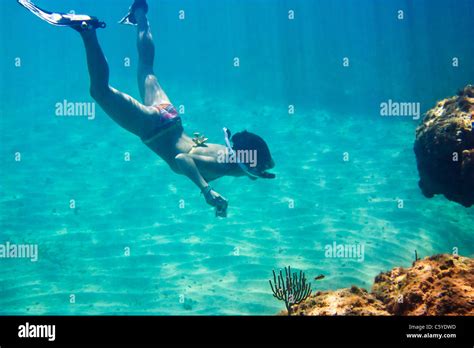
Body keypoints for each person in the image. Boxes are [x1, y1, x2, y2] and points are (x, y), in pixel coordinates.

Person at [18, 0, 276, 217]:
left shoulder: (229, 158)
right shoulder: (223, 166)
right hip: (155, 129)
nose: (257, 176)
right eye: (256, 172)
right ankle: (87, 30)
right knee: (99, 91)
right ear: (246, 166)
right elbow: (181, 158)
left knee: (146, 67)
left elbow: (200, 151)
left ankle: (140, 14)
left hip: (171, 118)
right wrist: (206, 191)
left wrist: (228, 168)